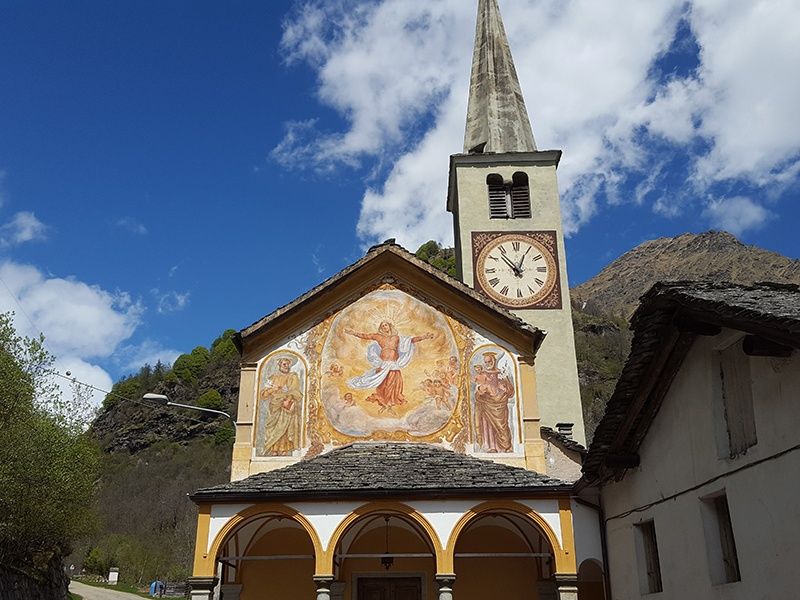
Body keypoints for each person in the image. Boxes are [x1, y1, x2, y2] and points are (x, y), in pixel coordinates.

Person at [344, 321, 434, 413]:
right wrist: (353, 333)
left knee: (394, 384)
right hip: (383, 364)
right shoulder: (378, 337)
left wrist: (424, 337)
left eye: (386, 325)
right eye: (382, 326)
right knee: (384, 385)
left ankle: (390, 405)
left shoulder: (396, 337)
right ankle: (384, 404)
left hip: (393, 364)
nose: (384, 327)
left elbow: (411, 340)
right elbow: (366, 336)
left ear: (389, 326)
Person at [260, 356, 302, 455]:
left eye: (288, 364)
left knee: (284, 427)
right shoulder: (273, 378)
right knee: (273, 426)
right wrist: (272, 390)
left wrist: (288, 399)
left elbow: (295, 390)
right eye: (284, 364)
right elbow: (263, 395)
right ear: (279, 364)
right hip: (274, 406)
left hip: (285, 404)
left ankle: (283, 449)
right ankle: (273, 449)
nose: (286, 366)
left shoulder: (293, 376)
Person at [473, 352, 514, 453]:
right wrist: (480, 391)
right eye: (486, 362)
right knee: (489, 426)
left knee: (502, 426)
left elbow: (510, 391)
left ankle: (506, 446)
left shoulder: (501, 373)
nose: (488, 364)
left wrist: (505, 382)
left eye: (489, 361)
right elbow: (478, 390)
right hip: (488, 404)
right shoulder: (483, 374)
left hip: (500, 405)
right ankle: (492, 447)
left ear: (494, 361)